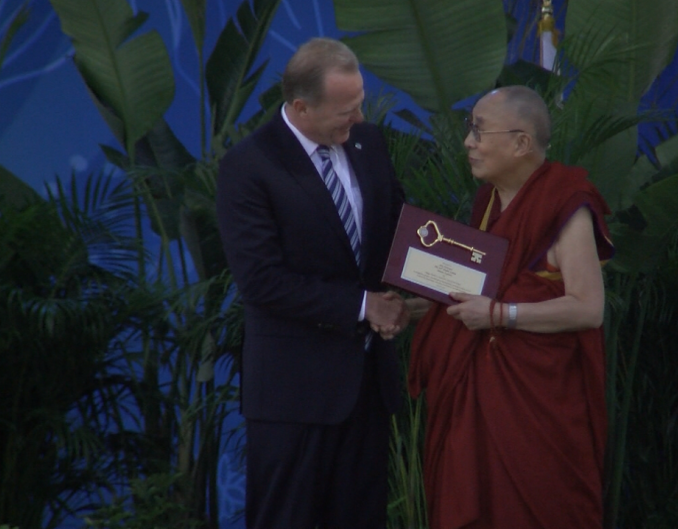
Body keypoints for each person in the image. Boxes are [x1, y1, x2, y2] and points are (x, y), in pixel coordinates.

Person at [216, 37, 409, 529]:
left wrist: (451, 278)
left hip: (365, 389)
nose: (360, 117)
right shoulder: (249, 166)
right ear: (300, 107)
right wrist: (366, 306)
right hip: (293, 396)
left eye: (361, 101)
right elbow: (261, 281)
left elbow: (400, 233)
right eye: (347, 109)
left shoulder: (369, 145)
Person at [408, 85, 615, 529]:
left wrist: (502, 317)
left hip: (538, 417)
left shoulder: (567, 205)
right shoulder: (487, 203)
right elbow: (479, 292)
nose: (468, 142)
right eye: (470, 131)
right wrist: (410, 309)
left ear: (521, 143)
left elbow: (588, 308)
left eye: (479, 132)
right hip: (479, 409)